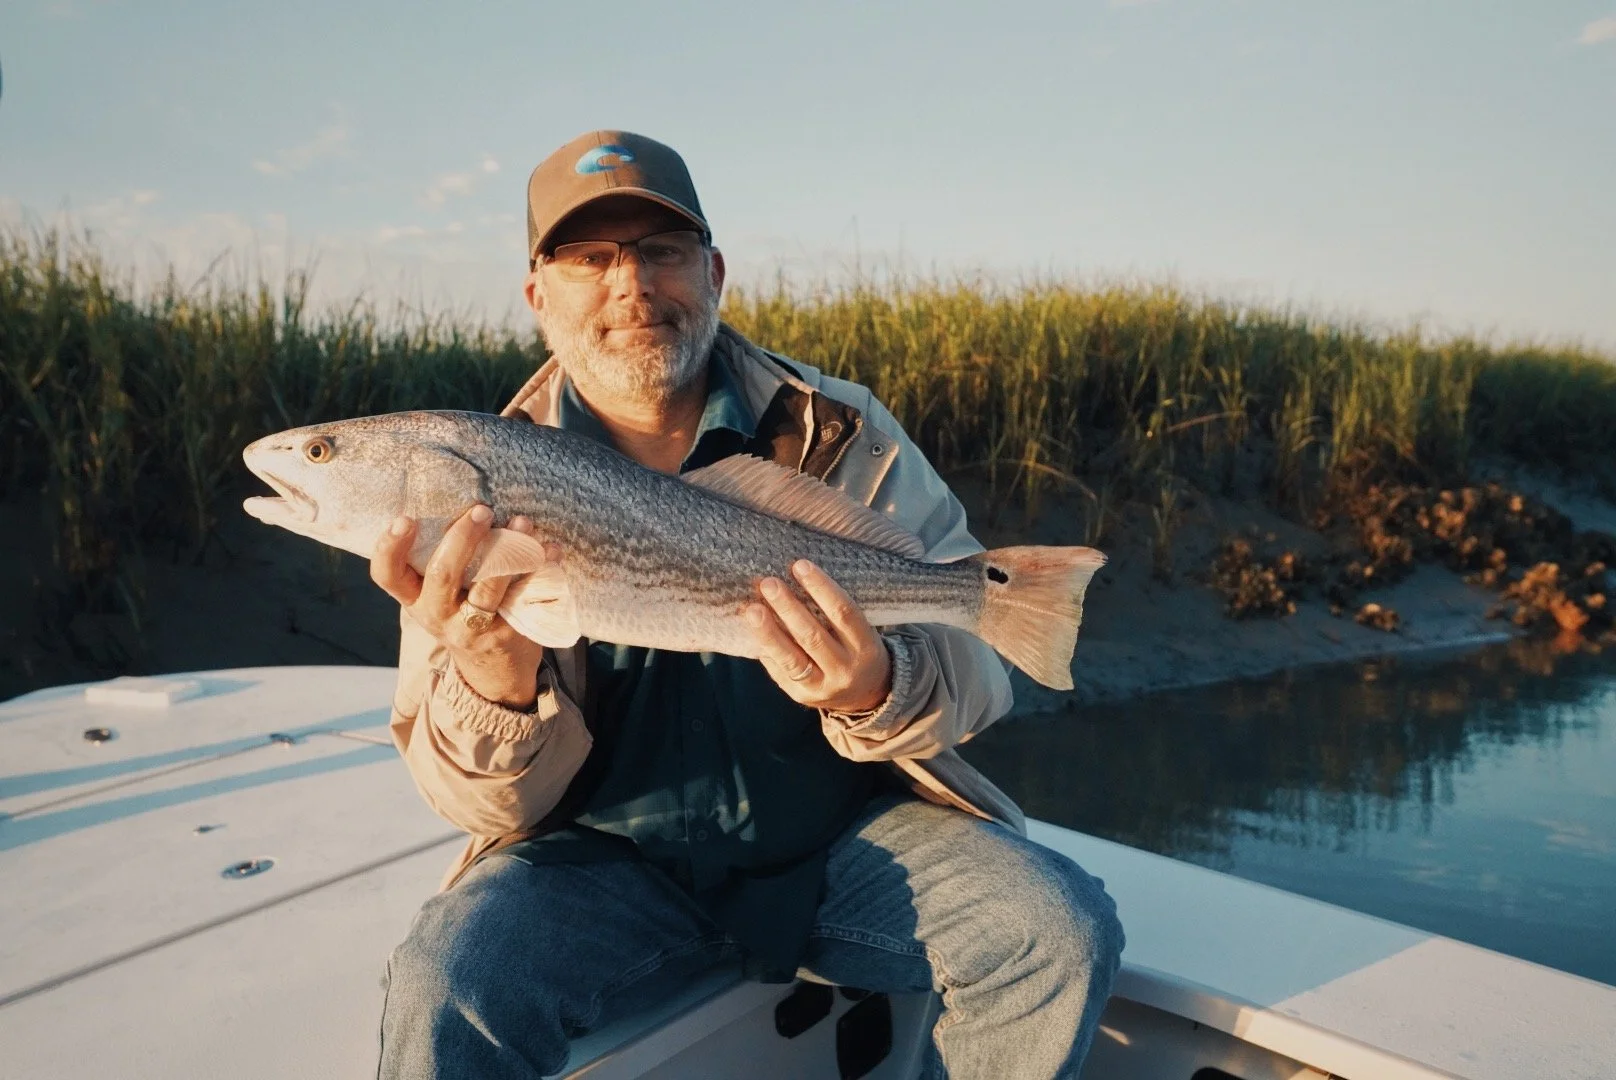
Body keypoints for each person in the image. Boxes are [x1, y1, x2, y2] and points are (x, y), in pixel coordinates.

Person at [372, 130, 1123, 1079]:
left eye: (661, 251)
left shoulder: (841, 430)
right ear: (537, 296)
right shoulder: (473, 480)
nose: (631, 286)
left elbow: (982, 676)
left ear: (713, 270)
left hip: (844, 848)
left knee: (1054, 931)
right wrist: (493, 678)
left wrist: (875, 685)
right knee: (448, 980)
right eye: (590, 258)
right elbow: (468, 797)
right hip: (596, 871)